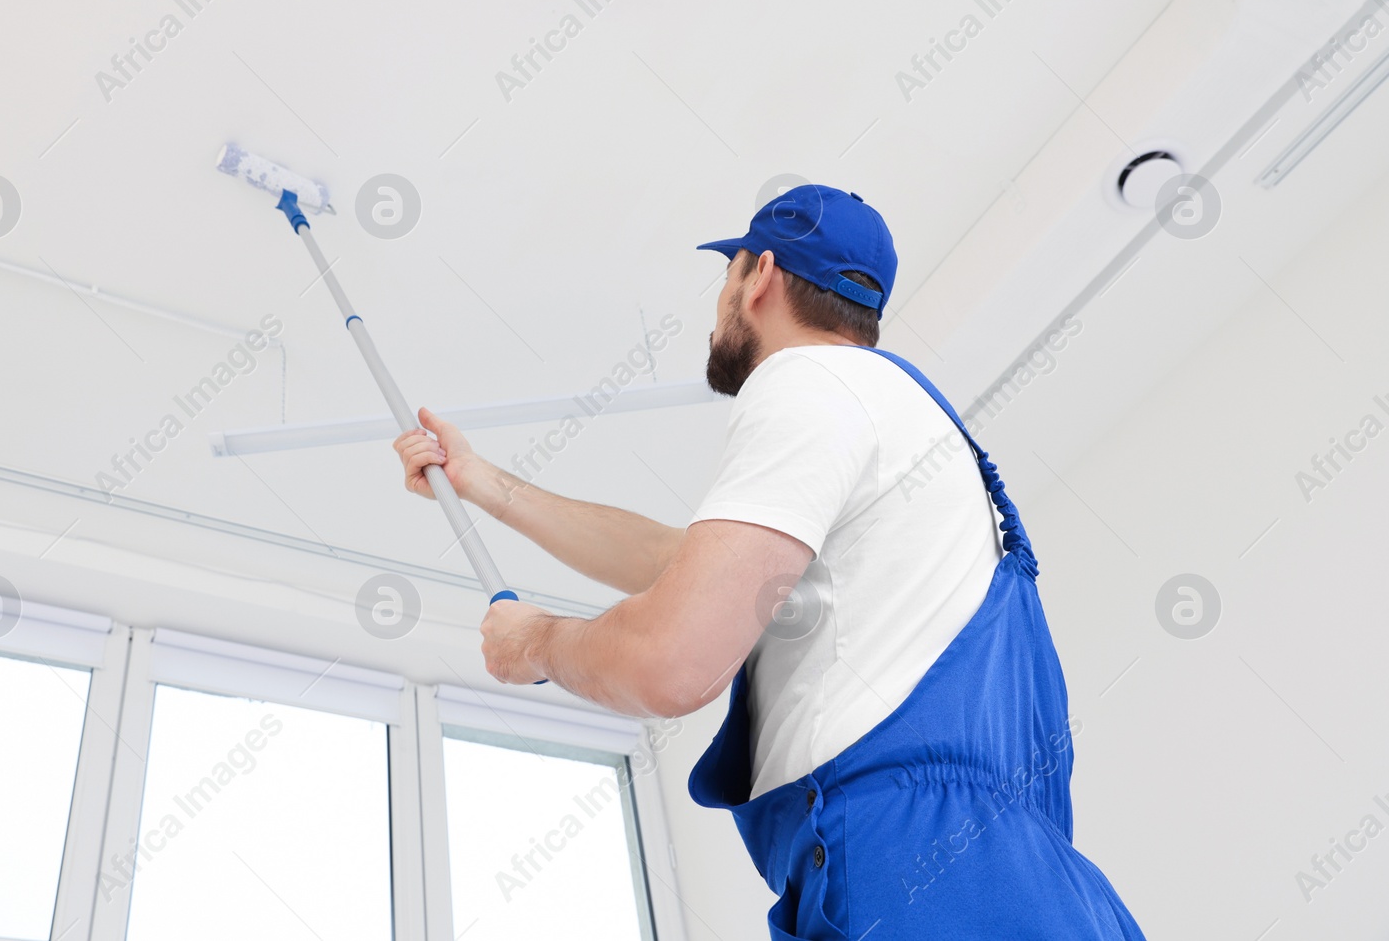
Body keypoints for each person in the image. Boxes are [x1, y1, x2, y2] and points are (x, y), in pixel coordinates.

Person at [392, 185, 1146, 939]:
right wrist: (484, 483)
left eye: (726, 278)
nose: (719, 304)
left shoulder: (805, 379)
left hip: (913, 873)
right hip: (1036, 889)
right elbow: (682, 565)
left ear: (762, 277)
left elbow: (671, 661)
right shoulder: (905, 434)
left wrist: (538, 643)